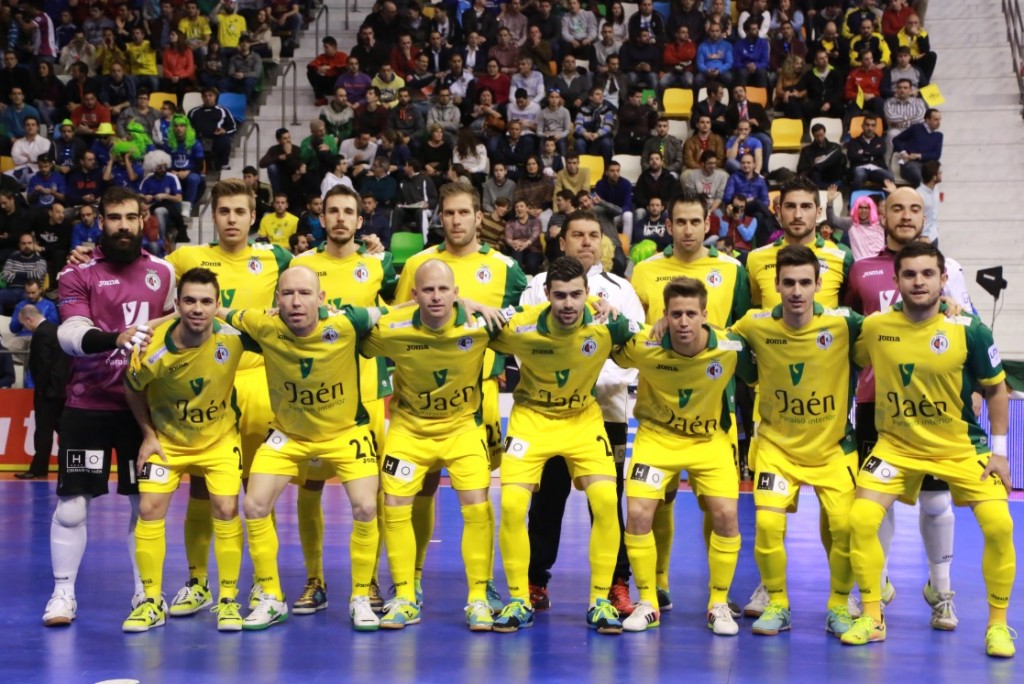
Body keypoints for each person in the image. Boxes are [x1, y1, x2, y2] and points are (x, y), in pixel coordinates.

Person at [843, 241, 1015, 658]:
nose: (918, 282)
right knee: (861, 520)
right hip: (896, 447)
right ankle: (872, 616)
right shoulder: (874, 327)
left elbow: (996, 389)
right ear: (897, 281)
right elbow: (846, 348)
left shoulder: (969, 329)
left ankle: (998, 626)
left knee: (1000, 527)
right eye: (909, 274)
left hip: (958, 448)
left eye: (927, 274)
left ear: (943, 279)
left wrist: (1001, 451)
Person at [222, 266, 384, 631]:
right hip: (289, 435)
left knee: (365, 505)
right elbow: (213, 312)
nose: (296, 301)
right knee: (254, 504)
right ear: (276, 300)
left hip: (345, 432)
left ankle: (360, 596)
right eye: (288, 294)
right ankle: (270, 596)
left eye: (305, 294)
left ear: (322, 299)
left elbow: (404, 311)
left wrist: (463, 301)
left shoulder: (348, 323)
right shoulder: (262, 324)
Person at [42, 186, 176, 627]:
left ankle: (146, 594)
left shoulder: (164, 272)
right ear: (100, 221)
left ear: (143, 221)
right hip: (89, 406)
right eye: (114, 217)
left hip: (146, 413)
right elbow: (70, 334)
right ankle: (63, 594)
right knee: (73, 507)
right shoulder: (77, 272)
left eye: (130, 218)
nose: (123, 225)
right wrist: (114, 338)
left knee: (146, 506)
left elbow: (180, 329)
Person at [394, 182, 528, 611]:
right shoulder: (418, 263)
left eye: (463, 213)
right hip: (420, 400)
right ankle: (411, 578)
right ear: (440, 217)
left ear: (478, 216)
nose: (455, 221)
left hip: (479, 395)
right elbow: (400, 319)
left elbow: (520, 323)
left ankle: (483, 583)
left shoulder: (506, 267)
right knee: (421, 488)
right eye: (448, 213)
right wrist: (461, 302)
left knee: (477, 496)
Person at [489, 255, 636, 634]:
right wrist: (472, 306)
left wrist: (617, 314)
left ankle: (600, 600)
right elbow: (471, 328)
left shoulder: (606, 325)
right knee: (511, 504)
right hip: (531, 420)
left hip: (582, 419)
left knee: (605, 501)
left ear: (589, 294)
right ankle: (519, 598)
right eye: (560, 296)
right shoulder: (520, 326)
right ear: (547, 296)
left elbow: (653, 335)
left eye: (575, 295)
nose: (568, 304)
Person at [729, 244, 863, 637]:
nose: (797, 291)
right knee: (768, 525)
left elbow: (895, 324)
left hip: (832, 448)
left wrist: (949, 310)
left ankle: (839, 604)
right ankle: (779, 603)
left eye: (806, 282)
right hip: (776, 448)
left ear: (819, 285)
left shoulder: (844, 323)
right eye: (788, 283)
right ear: (776, 285)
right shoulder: (754, 324)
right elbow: (712, 338)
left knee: (843, 528)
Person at [628, 193, 751, 611]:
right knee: (653, 501)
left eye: (694, 221)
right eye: (679, 221)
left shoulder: (731, 270)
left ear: (707, 223)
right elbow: (631, 326)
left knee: (716, 505)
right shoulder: (645, 271)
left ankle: (719, 595)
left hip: (714, 405)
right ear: (669, 226)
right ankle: (656, 584)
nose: (686, 229)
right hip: (660, 403)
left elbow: (743, 330)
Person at [360, 259, 497, 630]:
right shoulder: (392, 328)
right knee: (395, 504)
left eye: (443, 289)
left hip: (462, 430)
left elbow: (545, 314)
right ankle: (405, 596)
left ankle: (479, 598)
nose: (436, 297)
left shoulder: (480, 325)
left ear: (456, 293)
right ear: (415, 294)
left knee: (477, 507)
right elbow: (345, 327)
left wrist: (600, 305)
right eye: (427, 290)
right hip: (409, 431)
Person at [521, 210, 643, 614]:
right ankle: (535, 579)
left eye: (594, 234)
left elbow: (630, 353)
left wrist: (591, 377)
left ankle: (615, 584)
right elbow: (530, 349)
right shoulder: (537, 288)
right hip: (549, 411)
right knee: (548, 499)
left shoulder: (621, 290)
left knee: (608, 500)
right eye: (578, 235)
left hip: (605, 409)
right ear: (562, 241)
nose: (587, 241)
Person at [615, 277, 747, 634]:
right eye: (676, 314)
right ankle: (647, 601)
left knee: (726, 514)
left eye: (691, 313)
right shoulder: (646, 345)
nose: (684, 321)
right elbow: (612, 336)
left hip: (709, 442)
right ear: (665, 316)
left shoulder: (730, 348)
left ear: (705, 315)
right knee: (639, 512)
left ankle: (718, 602)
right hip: (657, 440)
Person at [289, 185, 398, 614]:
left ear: (359, 220)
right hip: (315, 398)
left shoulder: (377, 266)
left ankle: (368, 581)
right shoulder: (299, 265)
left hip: (368, 395)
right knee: (310, 487)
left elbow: (400, 312)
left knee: (373, 494)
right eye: (331, 211)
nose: (339, 218)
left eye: (347, 212)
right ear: (321, 217)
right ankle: (314, 579)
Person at [121, 268, 248, 632]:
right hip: (169, 445)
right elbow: (131, 388)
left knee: (226, 508)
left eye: (206, 301)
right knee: (148, 508)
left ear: (218, 305)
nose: (198, 308)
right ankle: (150, 602)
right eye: (189, 300)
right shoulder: (153, 349)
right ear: (177, 304)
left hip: (220, 441)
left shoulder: (234, 338)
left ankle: (226, 600)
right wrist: (148, 434)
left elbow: (280, 330)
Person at [744, 175, 852, 311]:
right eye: (790, 206)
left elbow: (848, 316)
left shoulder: (842, 257)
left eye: (806, 206)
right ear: (778, 211)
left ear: (818, 212)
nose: (798, 215)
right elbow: (754, 315)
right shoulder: (756, 259)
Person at [14, 302, 69, 479]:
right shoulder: (57, 329)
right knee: (63, 429)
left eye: (24, 324)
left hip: (47, 392)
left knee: (43, 431)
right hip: (62, 389)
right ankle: (68, 467)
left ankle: (38, 469)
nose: (26, 328)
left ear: (29, 319)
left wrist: (40, 389)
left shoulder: (41, 333)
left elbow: (42, 364)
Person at [893, 107, 942, 187]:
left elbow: (936, 155)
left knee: (934, 177)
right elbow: (896, 140)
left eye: (940, 119)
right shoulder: (916, 128)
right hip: (911, 164)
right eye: (935, 119)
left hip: (927, 165)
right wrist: (903, 152)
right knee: (918, 177)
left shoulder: (938, 136)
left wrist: (919, 156)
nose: (939, 122)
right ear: (927, 120)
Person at [0, 233, 48, 314]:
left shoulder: (40, 260)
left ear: (34, 244)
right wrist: (29, 275)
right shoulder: (12, 258)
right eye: (23, 243)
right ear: (19, 245)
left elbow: (38, 275)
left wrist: (16, 274)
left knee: (25, 304)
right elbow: (4, 276)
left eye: (29, 243)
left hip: (29, 292)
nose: (27, 246)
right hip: (11, 290)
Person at [797, 123, 846, 188]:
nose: (820, 138)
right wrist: (813, 162)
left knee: (837, 153)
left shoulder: (835, 146)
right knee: (814, 172)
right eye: (817, 136)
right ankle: (817, 167)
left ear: (824, 133)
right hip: (817, 176)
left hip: (832, 173)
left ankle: (818, 166)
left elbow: (843, 162)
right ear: (813, 135)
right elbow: (800, 168)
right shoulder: (806, 150)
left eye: (821, 135)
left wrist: (825, 161)